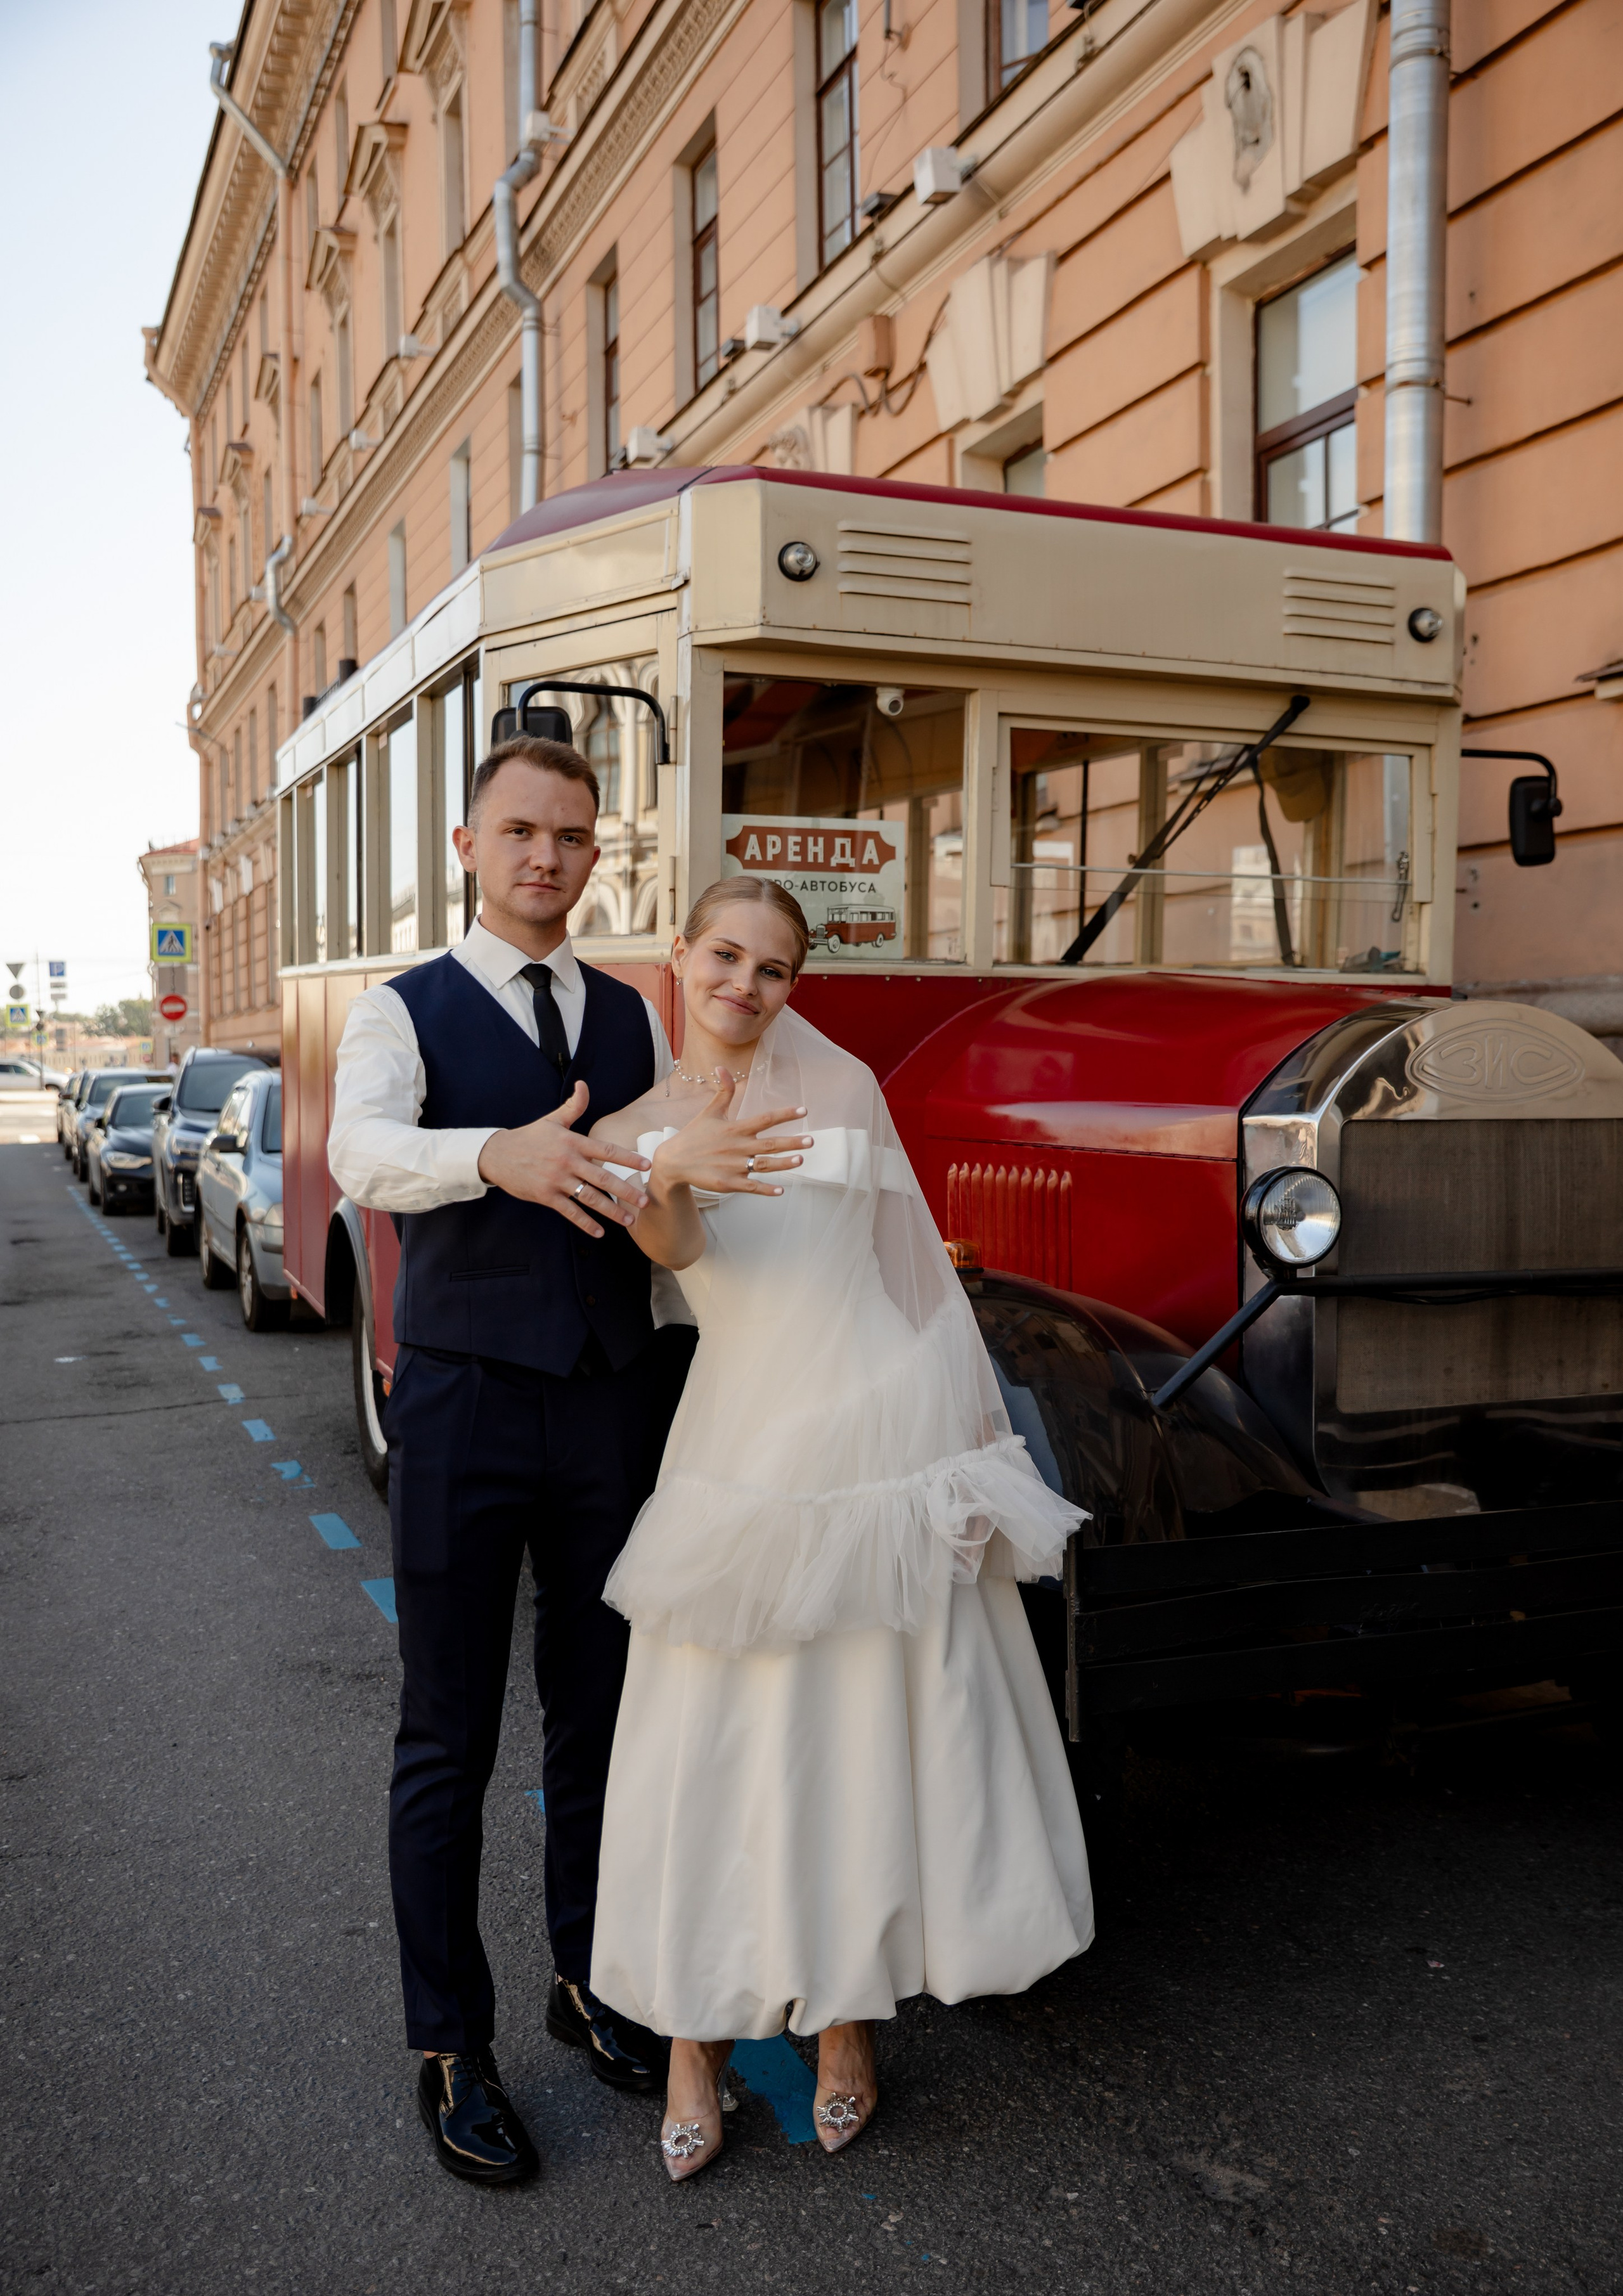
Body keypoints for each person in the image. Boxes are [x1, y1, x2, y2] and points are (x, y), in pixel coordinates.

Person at [586, 877, 1094, 2181]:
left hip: (874, 1433)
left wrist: (960, 1448)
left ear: (791, 983)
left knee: (855, 1735)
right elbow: (675, 1245)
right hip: (743, 1441)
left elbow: (908, 1275)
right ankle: (694, 2040)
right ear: (678, 956)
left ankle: (846, 2023)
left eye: (771, 969)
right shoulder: (638, 1118)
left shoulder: (849, 1084)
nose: (744, 986)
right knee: (715, 1742)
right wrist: (670, 1164)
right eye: (723, 956)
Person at [328, 733, 696, 2186]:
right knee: (448, 1734)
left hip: (609, 1403)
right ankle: (450, 2044)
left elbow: (664, 1206)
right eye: (521, 830)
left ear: (594, 856)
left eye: (572, 834)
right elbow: (361, 1151)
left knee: (601, 1716)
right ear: (471, 846)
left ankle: (587, 1980)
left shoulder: (629, 1017)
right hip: (468, 1406)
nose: (547, 854)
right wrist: (494, 1154)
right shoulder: (401, 1009)